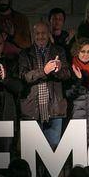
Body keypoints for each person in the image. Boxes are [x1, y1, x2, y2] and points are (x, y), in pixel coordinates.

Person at [19, 21, 70, 150]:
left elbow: (67, 74)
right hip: (32, 109)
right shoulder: (25, 53)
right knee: (31, 151)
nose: (40, 36)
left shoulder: (59, 51)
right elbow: (24, 76)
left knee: (53, 150)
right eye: (37, 33)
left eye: (43, 33)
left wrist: (58, 70)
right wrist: (44, 71)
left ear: (49, 34)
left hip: (55, 108)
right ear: (33, 34)